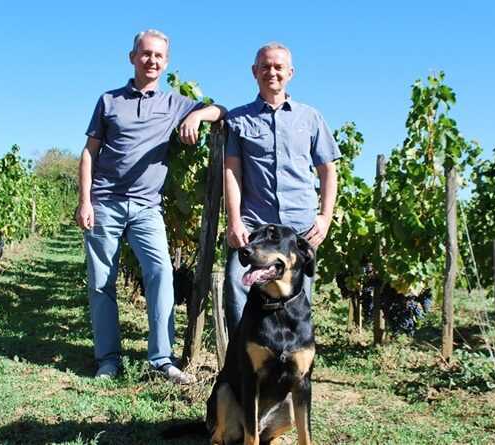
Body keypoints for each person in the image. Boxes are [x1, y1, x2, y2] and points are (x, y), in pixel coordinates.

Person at [76, 29, 226, 383]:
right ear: (132, 57)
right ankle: (108, 360)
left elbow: (221, 110)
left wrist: (195, 117)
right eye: (145, 54)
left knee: (161, 275)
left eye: (158, 56)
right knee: (101, 283)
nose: (151, 60)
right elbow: (89, 153)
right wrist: (85, 201)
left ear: (166, 62)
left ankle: (161, 359)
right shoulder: (109, 101)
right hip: (105, 202)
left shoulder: (174, 103)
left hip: (147, 207)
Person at [223, 42, 339, 331]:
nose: (271, 72)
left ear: (290, 73)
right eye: (265, 66)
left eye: (278, 67)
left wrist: (325, 217)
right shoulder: (238, 119)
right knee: (237, 285)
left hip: (300, 227)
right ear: (254, 71)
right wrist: (235, 221)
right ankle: (240, 352)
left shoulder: (310, 118)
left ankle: (291, 356)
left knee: (297, 297)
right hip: (255, 225)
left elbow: (328, 171)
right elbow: (232, 172)